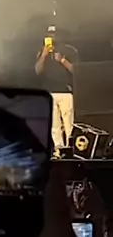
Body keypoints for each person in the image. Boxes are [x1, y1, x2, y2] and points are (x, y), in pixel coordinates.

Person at [35, 27, 75, 156]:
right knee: (54, 125)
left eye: (53, 35)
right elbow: (37, 71)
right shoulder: (42, 52)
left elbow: (75, 70)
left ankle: (71, 149)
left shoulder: (68, 50)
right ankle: (59, 150)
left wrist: (62, 60)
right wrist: (43, 55)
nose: (51, 38)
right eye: (49, 35)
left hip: (65, 92)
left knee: (69, 124)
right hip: (50, 92)